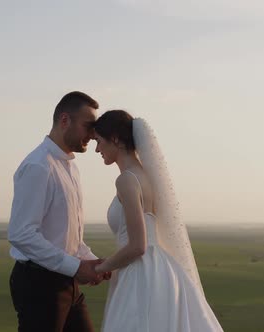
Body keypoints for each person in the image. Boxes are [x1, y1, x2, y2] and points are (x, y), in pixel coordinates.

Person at [92, 110, 223, 331]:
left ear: (114, 138)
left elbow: (137, 246)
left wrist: (101, 267)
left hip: (138, 274)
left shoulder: (126, 180)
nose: (97, 149)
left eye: (99, 141)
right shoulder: (146, 176)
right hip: (162, 270)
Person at [7, 91, 109, 332]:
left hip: (67, 281)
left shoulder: (71, 169)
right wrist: (76, 267)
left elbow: (69, 236)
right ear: (65, 121)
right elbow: (21, 234)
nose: (93, 135)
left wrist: (92, 263)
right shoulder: (38, 166)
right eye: (88, 126)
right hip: (38, 284)